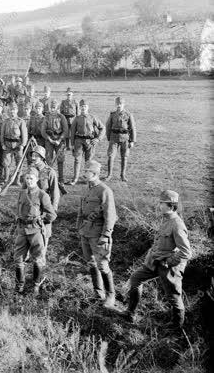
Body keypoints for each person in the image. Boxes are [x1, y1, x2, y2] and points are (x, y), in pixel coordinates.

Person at [120, 190, 191, 328]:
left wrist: (169, 262)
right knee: (136, 278)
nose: (159, 205)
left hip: (169, 265)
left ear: (171, 205)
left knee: (173, 295)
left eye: (162, 203)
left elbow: (186, 252)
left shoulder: (177, 224)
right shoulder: (166, 219)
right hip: (155, 262)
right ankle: (130, 313)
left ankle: (177, 325)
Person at [76, 161, 117, 308]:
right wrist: (79, 228)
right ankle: (98, 294)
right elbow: (82, 211)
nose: (84, 173)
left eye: (87, 171)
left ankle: (110, 296)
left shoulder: (104, 191)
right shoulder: (88, 189)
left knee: (103, 265)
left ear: (94, 174)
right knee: (91, 263)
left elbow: (110, 216)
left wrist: (105, 235)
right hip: (86, 232)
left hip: (98, 234)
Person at [14, 167, 57, 295]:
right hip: (22, 230)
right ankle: (19, 285)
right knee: (18, 258)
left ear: (37, 179)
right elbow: (18, 210)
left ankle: (36, 285)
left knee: (38, 259)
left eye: (31, 178)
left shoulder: (42, 195)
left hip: (36, 231)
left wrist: (40, 220)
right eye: (27, 178)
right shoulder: (22, 193)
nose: (29, 181)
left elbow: (52, 215)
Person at [67, 100, 105, 186]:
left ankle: (88, 179)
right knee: (77, 160)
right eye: (81, 106)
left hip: (90, 142)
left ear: (88, 107)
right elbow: (72, 132)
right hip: (78, 141)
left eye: (85, 106)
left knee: (89, 161)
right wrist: (72, 144)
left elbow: (102, 128)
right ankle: (75, 178)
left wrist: (98, 139)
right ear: (79, 108)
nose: (83, 108)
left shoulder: (92, 117)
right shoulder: (76, 118)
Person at [104, 96, 137, 182]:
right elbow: (108, 126)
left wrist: (132, 141)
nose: (119, 105)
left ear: (123, 104)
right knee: (110, 156)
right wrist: (109, 137)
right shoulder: (112, 114)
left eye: (120, 103)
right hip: (114, 138)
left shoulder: (128, 115)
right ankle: (109, 175)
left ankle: (123, 175)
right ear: (115, 104)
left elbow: (132, 128)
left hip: (125, 138)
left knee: (124, 157)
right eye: (117, 103)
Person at [40, 100, 68, 183]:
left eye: (54, 106)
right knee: (48, 159)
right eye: (51, 106)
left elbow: (65, 129)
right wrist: (49, 139)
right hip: (49, 140)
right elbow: (43, 130)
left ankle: (61, 178)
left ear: (57, 107)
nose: (53, 108)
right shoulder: (46, 117)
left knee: (60, 159)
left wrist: (59, 140)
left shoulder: (61, 117)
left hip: (59, 140)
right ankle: (49, 177)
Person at [0, 103, 28, 185]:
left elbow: (24, 134)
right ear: (9, 111)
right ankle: (6, 179)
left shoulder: (21, 121)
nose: (12, 112)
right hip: (7, 145)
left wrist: (23, 145)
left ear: (17, 111)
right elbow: (2, 134)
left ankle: (17, 180)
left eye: (14, 110)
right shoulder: (6, 121)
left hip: (18, 145)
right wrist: (2, 144)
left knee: (19, 162)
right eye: (11, 110)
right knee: (6, 163)